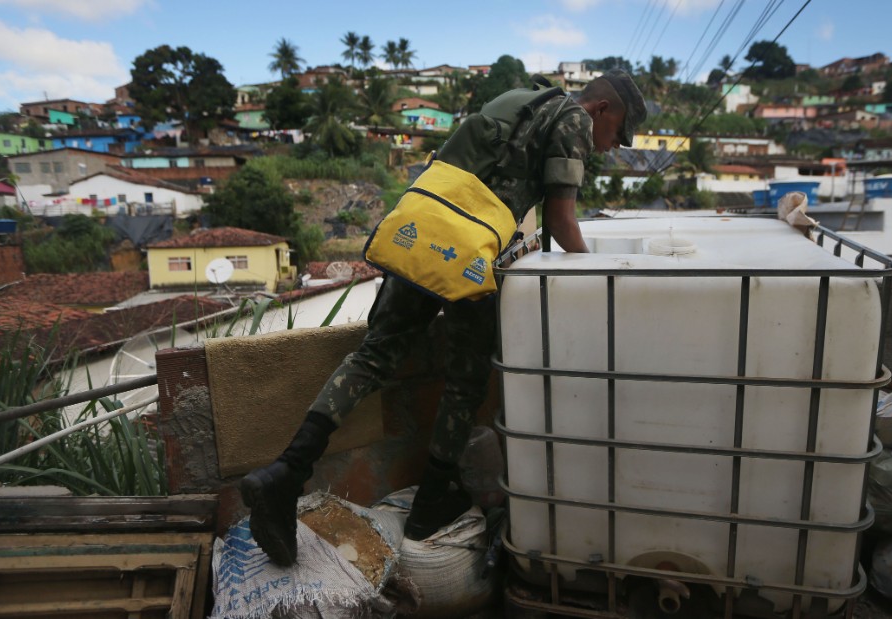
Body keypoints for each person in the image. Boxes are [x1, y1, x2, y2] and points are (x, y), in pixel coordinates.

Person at [241, 69, 647, 566]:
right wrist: (596, 280)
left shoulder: (522, 97)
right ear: (602, 110)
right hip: (465, 253)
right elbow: (562, 219)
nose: (611, 146)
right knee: (466, 380)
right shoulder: (574, 121)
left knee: (373, 355)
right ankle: (432, 499)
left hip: (419, 226)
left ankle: (285, 471)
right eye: (616, 133)